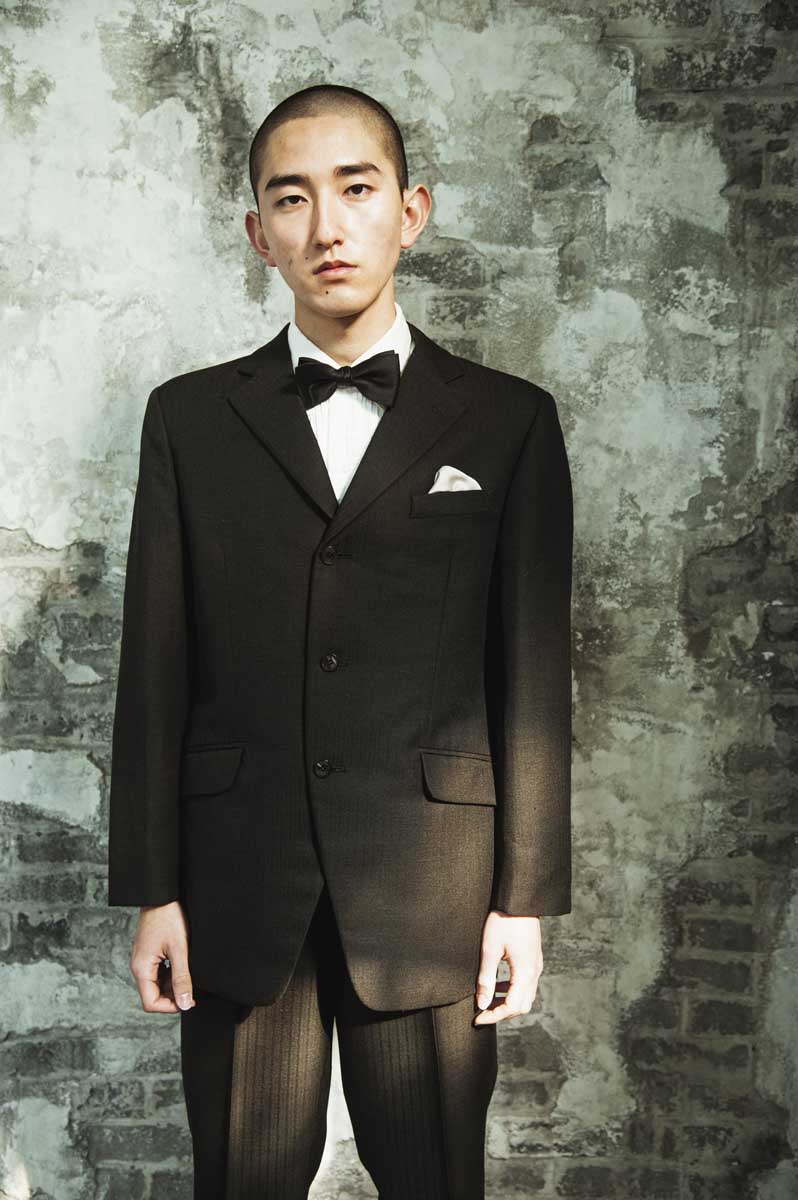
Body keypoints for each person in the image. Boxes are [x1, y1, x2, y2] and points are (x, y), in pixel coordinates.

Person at [107, 83, 574, 1200]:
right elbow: (155, 664)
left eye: (356, 190)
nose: (327, 226)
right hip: (236, 884)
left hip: (435, 889)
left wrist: (522, 899)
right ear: (257, 232)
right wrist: (153, 888)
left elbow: (533, 677)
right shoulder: (188, 419)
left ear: (410, 212)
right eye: (292, 198)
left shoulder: (509, 421)